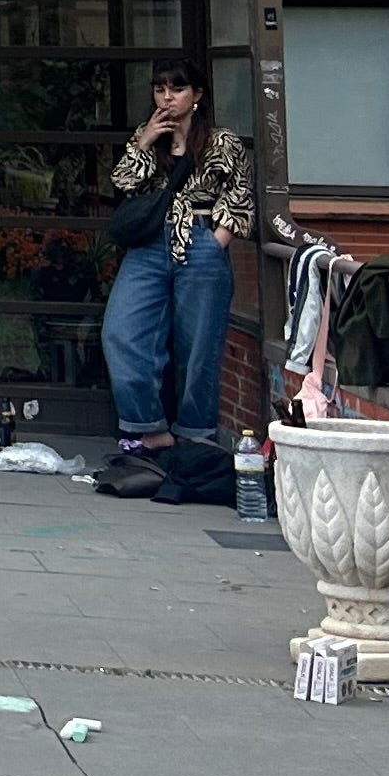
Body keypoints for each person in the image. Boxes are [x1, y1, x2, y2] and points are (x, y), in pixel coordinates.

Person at [97, 59, 256, 492]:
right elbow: (125, 183)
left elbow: (240, 196)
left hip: (202, 241)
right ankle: (149, 428)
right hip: (150, 245)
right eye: (160, 89)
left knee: (199, 347)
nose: (167, 98)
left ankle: (194, 437)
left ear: (197, 95)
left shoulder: (222, 142)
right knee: (122, 332)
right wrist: (147, 139)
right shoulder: (150, 136)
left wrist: (214, 241)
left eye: (177, 89)